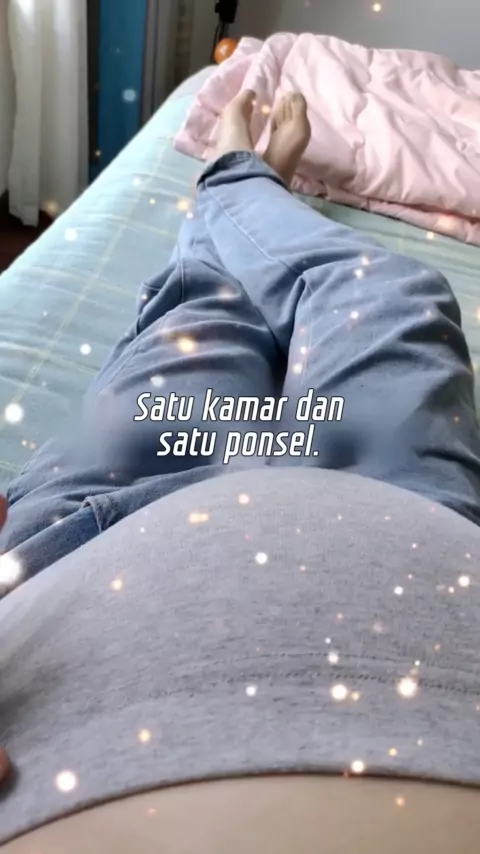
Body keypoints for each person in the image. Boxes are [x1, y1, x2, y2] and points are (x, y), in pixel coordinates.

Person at [1, 91, 480, 852]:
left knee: (200, 316)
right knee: (394, 295)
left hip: (73, 540)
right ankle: (242, 182)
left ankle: (236, 179)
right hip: (408, 514)